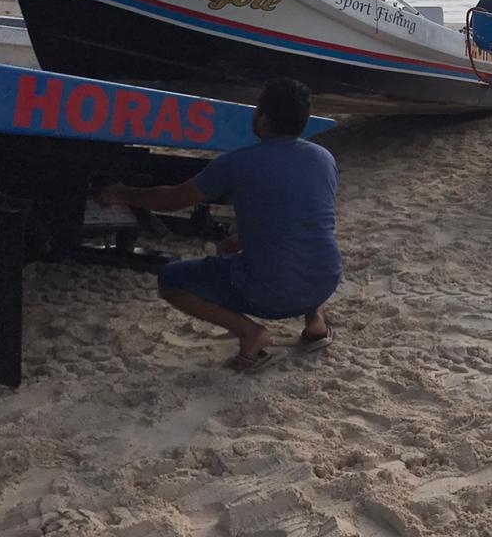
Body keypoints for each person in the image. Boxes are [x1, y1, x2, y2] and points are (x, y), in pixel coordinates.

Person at [98, 78, 341, 372]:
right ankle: (315, 323)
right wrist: (242, 239)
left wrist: (120, 193)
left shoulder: (236, 162)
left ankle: (251, 334)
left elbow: (174, 199)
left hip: (272, 292)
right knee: (307, 248)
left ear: (262, 118)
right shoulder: (324, 158)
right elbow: (298, 216)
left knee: (171, 281)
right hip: (325, 280)